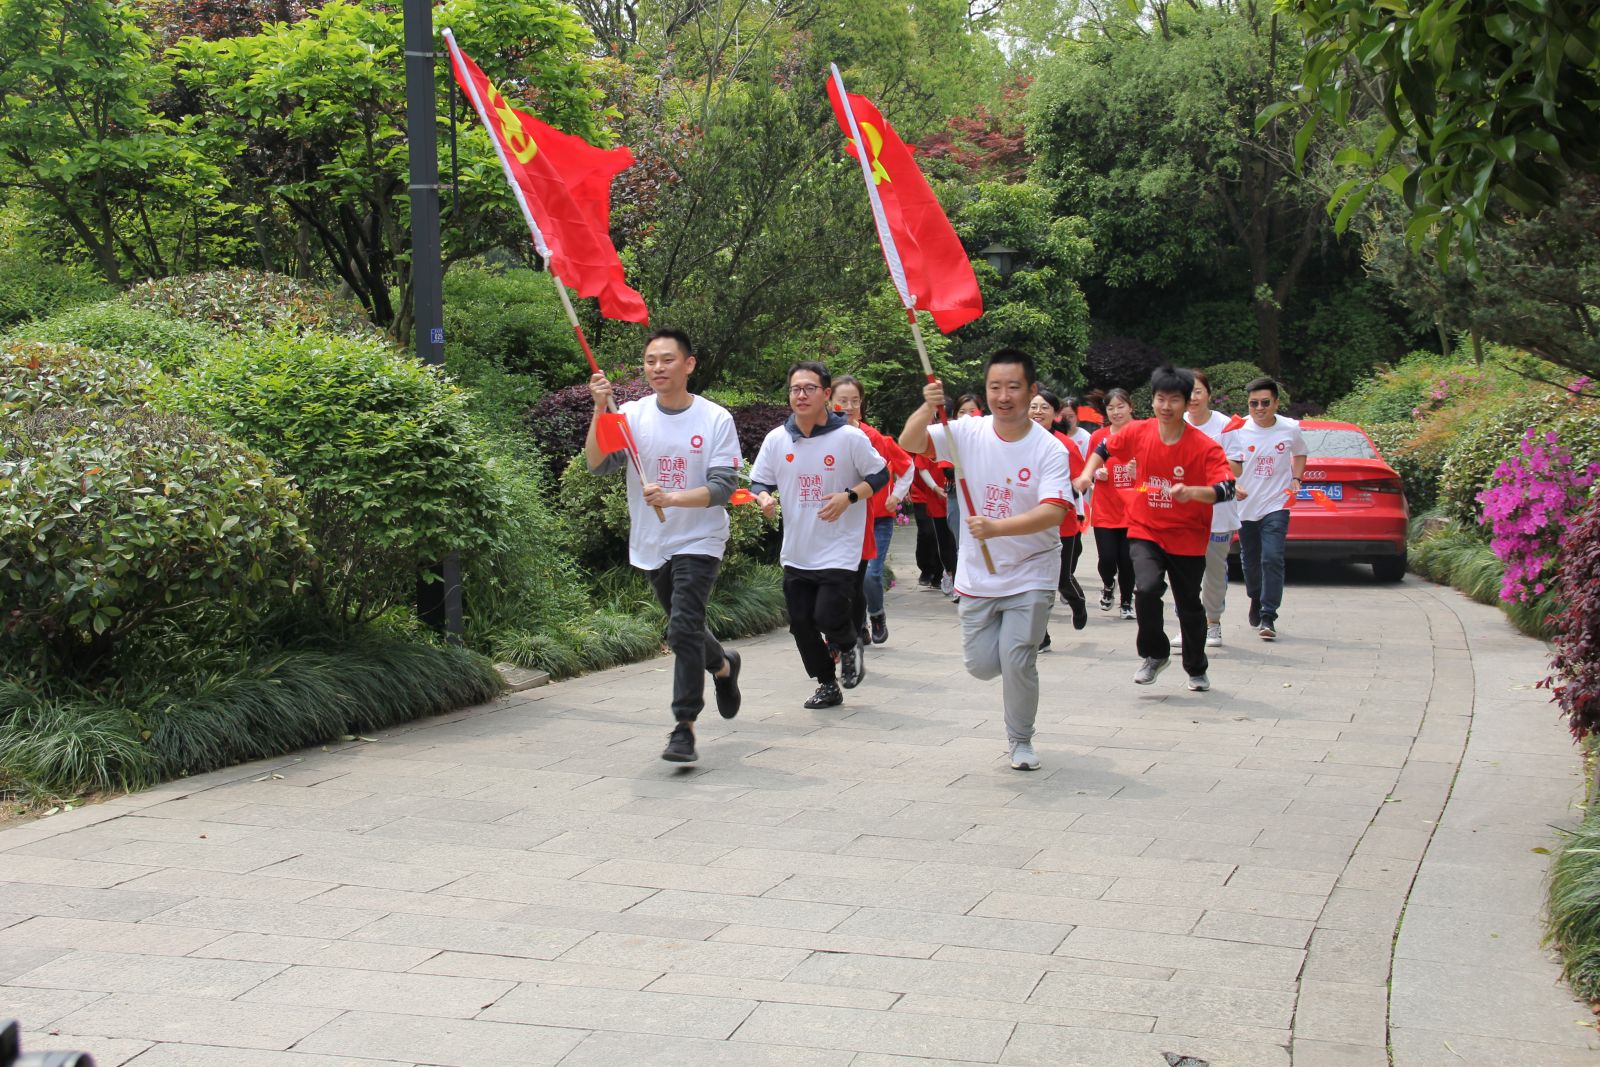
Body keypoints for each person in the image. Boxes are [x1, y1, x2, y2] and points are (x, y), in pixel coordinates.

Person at [901, 349, 1072, 771]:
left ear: (1031, 391)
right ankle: (1015, 655)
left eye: (1014, 387)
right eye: (995, 387)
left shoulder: (1049, 449)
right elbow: (909, 442)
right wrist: (929, 405)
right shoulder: (969, 431)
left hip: (1032, 567)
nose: (1004, 395)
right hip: (979, 573)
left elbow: (1054, 511)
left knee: (1017, 658)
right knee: (980, 666)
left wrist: (997, 528)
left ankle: (1021, 741)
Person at [586, 329, 743, 764]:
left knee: (681, 627)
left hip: (701, 537)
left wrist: (672, 497)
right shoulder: (632, 414)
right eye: (651, 360)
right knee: (685, 627)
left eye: (668, 360)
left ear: (689, 365)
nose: (658, 367)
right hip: (653, 540)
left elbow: (723, 486)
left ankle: (684, 727)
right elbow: (597, 464)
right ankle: (724, 665)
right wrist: (601, 408)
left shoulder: (715, 419)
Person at [1074, 366, 1236, 692]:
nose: (1166, 406)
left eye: (1174, 400)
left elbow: (1227, 488)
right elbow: (1105, 449)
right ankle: (1154, 653)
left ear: (1187, 402)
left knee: (1189, 604)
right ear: (1152, 401)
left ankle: (1196, 666)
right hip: (1146, 527)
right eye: (1160, 399)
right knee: (1146, 590)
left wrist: (1194, 493)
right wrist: (1087, 474)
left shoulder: (1203, 446)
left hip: (1188, 536)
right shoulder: (1141, 431)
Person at [750, 362, 889, 708]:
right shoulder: (776, 439)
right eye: (795, 389)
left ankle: (849, 641)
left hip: (841, 547)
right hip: (798, 549)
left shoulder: (850, 438)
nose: (800, 394)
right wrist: (764, 497)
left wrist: (849, 497)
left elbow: (880, 475)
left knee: (827, 615)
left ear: (826, 394)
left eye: (809, 388)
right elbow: (759, 480)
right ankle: (828, 683)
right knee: (800, 624)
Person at [833, 376, 913, 648]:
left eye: (855, 401)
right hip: (842, 522)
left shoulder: (874, 437)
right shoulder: (821, 437)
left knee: (869, 575)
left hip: (877, 520)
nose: (849, 406)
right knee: (846, 581)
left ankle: (875, 615)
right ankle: (857, 629)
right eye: (842, 400)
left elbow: (907, 465)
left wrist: (896, 495)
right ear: (829, 401)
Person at [1226, 377, 1308, 641]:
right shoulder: (1237, 429)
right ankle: (1255, 597)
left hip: (1276, 503)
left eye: (1264, 403)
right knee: (1250, 562)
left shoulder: (1290, 428)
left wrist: (1296, 478)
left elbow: (1300, 453)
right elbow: (1223, 462)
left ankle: (1268, 615)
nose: (1259, 408)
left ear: (1275, 402)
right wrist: (1232, 484)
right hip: (1245, 505)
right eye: (1253, 403)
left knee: (1271, 557)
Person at [1182, 369, 1241, 648]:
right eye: (1188, 391)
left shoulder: (1226, 425)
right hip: (1182, 512)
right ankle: (1189, 624)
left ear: (1208, 394)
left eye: (1198, 391)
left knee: (1213, 573)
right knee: (1185, 572)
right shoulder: (1174, 423)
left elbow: (1236, 466)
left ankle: (1213, 622)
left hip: (1218, 512)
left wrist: (1204, 463)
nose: (1192, 398)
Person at [1028, 390, 1088, 645]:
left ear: (1055, 414)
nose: (1038, 412)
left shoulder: (1065, 443)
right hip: (1028, 522)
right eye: (1033, 407)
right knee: (1033, 583)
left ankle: (1077, 601)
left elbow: (1079, 479)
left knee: (1061, 578)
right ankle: (1040, 637)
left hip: (1061, 521)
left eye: (1044, 407)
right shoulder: (1018, 439)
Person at [1086, 388, 1137, 619]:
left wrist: (1138, 472)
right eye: (1111, 408)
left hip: (1133, 509)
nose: (1116, 412)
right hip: (1105, 508)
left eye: (1120, 406)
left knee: (1127, 560)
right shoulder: (1099, 437)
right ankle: (1108, 585)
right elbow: (1090, 468)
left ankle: (1127, 602)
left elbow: (1156, 468)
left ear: (1130, 407)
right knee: (1107, 559)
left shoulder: (1142, 433)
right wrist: (1098, 473)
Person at [940, 393, 986, 597]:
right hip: (958, 496)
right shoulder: (950, 437)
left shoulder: (990, 436)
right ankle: (963, 585)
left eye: (972, 411)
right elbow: (947, 470)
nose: (968, 416)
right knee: (962, 542)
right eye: (962, 412)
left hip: (984, 496)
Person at [910, 450, 956, 591]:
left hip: (955, 494)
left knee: (955, 538)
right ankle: (942, 570)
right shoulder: (928, 437)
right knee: (935, 535)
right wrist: (934, 487)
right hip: (932, 495)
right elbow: (920, 465)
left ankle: (954, 577)